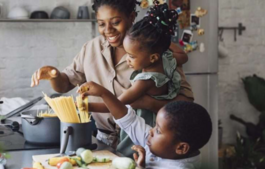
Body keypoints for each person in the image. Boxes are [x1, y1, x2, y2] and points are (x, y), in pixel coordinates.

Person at [30, 0, 194, 147]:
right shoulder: (91, 48)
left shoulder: (154, 51)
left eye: (115, 22)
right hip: (103, 140)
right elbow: (64, 85)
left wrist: (146, 103)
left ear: (131, 17)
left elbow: (185, 105)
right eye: (101, 24)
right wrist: (54, 75)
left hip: (146, 141)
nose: (108, 30)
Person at [81, 1, 186, 157]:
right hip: (153, 140)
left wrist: (85, 107)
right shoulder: (165, 60)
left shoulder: (144, 81)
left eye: (131, 56)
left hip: (141, 140)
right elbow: (183, 56)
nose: (127, 59)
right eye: (101, 23)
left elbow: (118, 105)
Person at [77, 81, 212, 168]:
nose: (151, 132)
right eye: (155, 126)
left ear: (181, 148)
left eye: (158, 131)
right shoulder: (159, 145)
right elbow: (127, 119)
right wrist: (103, 93)